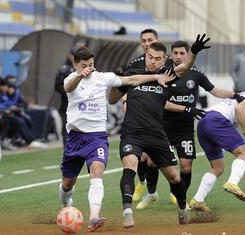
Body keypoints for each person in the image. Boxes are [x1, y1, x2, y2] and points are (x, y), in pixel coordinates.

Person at [59, 47, 175, 232]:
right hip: (75, 137)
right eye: (84, 66)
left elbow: (131, 80)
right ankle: (66, 205)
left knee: (97, 172)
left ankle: (94, 217)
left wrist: (156, 77)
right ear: (75, 65)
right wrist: (80, 75)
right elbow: (68, 87)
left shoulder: (103, 77)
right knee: (67, 183)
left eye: (91, 64)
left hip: (97, 137)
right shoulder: (71, 79)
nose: (89, 68)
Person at [108, 35, 211, 228]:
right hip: (132, 132)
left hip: (157, 134)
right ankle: (128, 211)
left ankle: (182, 207)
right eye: (150, 56)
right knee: (130, 165)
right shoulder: (133, 74)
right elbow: (113, 99)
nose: (153, 61)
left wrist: (194, 52)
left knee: (174, 176)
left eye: (157, 58)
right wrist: (115, 84)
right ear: (145, 55)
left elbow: (185, 67)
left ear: (164, 60)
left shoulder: (167, 75)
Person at [136, 40, 239, 209]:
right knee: (152, 162)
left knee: (185, 166)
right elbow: (162, 103)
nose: (178, 57)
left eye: (182, 53)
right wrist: (187, 109)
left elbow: (215, 91)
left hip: (184, 129)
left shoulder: (196, 75)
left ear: (187, 54)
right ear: (171, 54)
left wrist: (236, 94)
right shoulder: (165, 73)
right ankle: (152, 193)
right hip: (163, 127)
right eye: (175, 53)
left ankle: (179, 196)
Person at [189, 82, 245, 211]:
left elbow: (235, 117)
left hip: (204, 121)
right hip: (216, 120)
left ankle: (197, 201)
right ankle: (232, 183)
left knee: (218, 167)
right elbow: (239, 110)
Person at [124, 28, 175, 204]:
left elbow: (184, 70)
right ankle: (145, 186)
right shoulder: (134, 64)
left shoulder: (168, 66)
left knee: (165, 163)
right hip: (143, 121)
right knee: (144, 158)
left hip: (166, 119)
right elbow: (126, 86)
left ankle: (173, 192)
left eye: (150, 40)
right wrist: (126, 104)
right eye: (143, 40)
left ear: (157, 40)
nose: (146, 43)